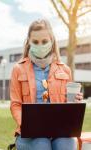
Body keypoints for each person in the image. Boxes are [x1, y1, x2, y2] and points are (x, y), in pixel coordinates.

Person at [10, 19, 83, 150]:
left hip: (60, 131)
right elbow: (15, 104)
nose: (40, 45)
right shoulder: (18, 69)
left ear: (52, 41)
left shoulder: (65, 70)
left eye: (44, 42)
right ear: (29, 42)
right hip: (30, 134)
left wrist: (75, 104)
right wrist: (26, 124)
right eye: (35, 42)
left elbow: (68, 105)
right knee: (42, 145)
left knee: (67, 145)